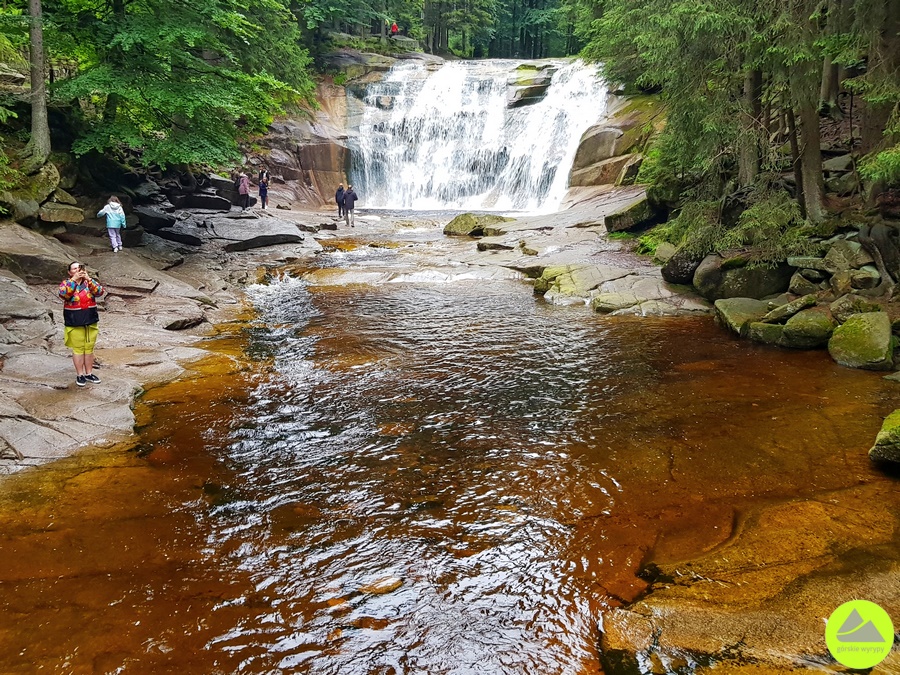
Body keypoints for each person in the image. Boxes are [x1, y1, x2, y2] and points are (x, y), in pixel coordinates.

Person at [59, 261, 104, 387]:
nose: (78, 270)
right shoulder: (66, 283)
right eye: (74, 269)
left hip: (90, 319)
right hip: (75, 320)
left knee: (89, 348)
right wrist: (74, 280)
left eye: (79, 268)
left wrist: (88, 278)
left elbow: (100, 292)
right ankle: (80, 375)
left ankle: (89, 373)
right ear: (70, 272)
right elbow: (64, 294)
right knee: (78, 349)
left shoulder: (88, 283)